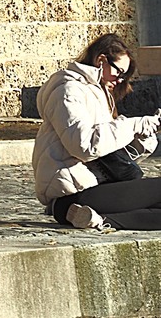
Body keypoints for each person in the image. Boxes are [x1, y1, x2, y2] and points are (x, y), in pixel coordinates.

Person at [33, 32, 161, 230]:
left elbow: (109, 155)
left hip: (99, 187)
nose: (120, 80)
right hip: (72, 194)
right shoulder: (68, 90)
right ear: (101, 60)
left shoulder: (99, 94)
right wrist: (133, 125)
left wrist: (141, 139)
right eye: (119, 72)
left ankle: (98, 220)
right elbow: (84, 145)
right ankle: (78, 213)